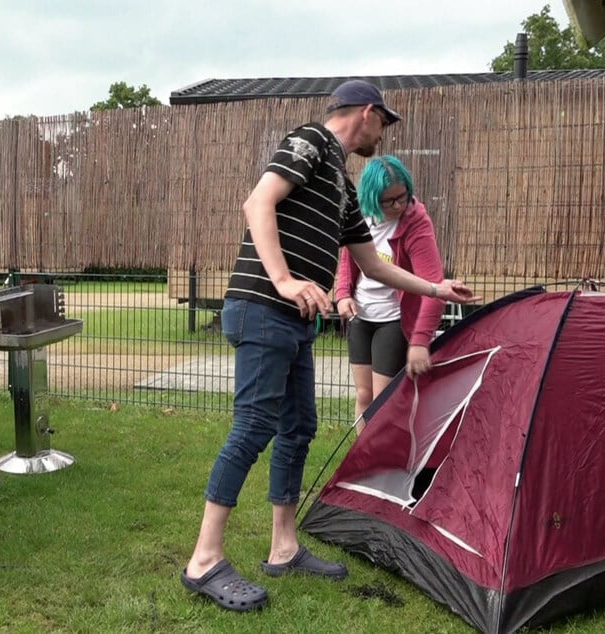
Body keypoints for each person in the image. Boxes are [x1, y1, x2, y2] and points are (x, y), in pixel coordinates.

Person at [179, 80, 479, 612]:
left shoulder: (339, 184)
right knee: (254, 427)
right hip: (264, 308)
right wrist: (283, 280)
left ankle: (284, 546)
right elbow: (258, 202)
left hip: (294, 323)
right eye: (383, 123)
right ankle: (204, 560)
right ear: (367, 113)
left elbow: (372, 265)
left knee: (299, 428)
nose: (382, 135)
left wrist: (437, 287)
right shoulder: (310, 141)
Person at [334, 155, 446, 434]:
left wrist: (420, 342)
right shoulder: (359, 214)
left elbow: (435, 286)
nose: (398, 205)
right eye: (389, 201)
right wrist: (343, 294)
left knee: (382, 402)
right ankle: (362, 462)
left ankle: (387, 465)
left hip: (393, 319)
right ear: (372, 199)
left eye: (402, 196)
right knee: (363, 396)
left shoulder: (415, 222)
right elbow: (348, 256)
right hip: (361, 315)